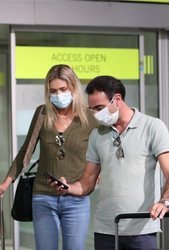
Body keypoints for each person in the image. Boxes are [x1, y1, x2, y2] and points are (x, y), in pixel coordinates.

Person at [54, 75, 169, 250]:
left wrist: (165, 201)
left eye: (99, 108)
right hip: (106, 229)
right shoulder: (97, 135)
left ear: (117, 99)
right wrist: (67, 187)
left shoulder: (153, 127)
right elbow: (86, 183)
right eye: (92, 110)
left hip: (141, 228)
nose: (96, 114)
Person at [0, 64, 97, 250]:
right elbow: (25, 152)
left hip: (76, 199)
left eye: (63, 89)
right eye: (53, 91)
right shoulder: (43, 114)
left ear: (74, 88)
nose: (58, 95)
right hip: (43, 196)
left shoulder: (90, 118)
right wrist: (6, 183)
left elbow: (102, 155)